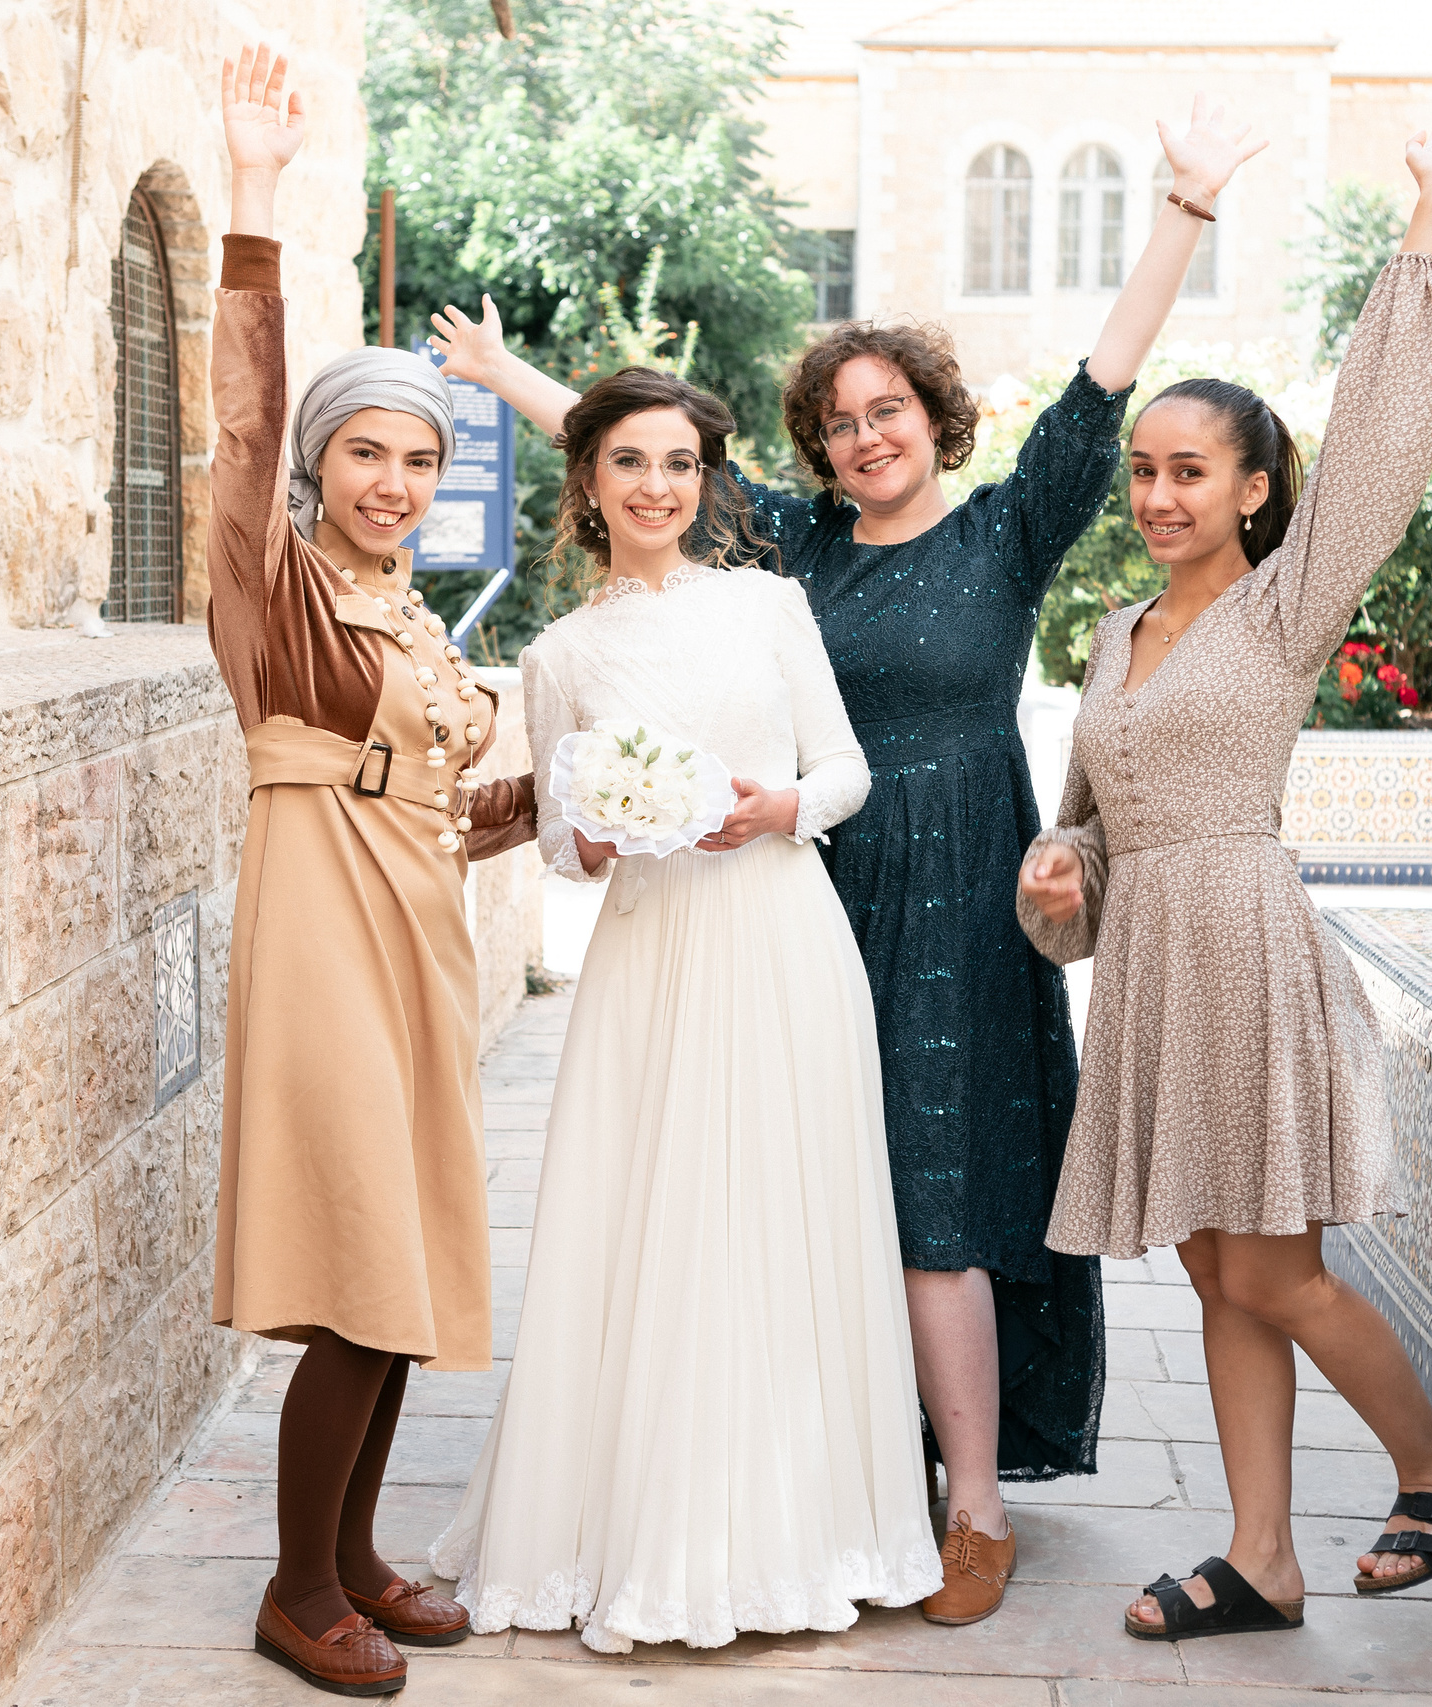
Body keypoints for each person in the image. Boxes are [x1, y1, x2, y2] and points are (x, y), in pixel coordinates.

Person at [426, 96, 1267, 1627]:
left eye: (888, 411)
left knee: (941, 1195)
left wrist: (1185, 215)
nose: (864, 436)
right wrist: (499, 378)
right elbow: (639, 465)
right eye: (838, 420)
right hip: (799, 894)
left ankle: (971, 1500)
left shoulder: (1008, 534)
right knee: (820, 1189)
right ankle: (837, 1471)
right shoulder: (791, 555)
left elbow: (1100, 386)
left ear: (933, 418)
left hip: (960, 897)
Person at [1014, 131, 1432, 1642]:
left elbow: (1380, 448)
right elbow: (1091, 834)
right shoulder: (1109, 631)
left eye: (1188, 470)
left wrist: (1424, 230)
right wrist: (1060, 862)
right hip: (1154, 953)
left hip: (1241, 939)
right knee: (1221, 1261)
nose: (1157, 494)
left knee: (1276, 1268)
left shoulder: (1287, 604)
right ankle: (1262, 1557)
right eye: (1144, 470)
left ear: (1252, 486)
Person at [427, 365, 941, 1652]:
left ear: (704, 480)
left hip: (777, 931)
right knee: (650, 1216)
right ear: (588, 484)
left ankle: (800, 1532)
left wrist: (779, 809)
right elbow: (552, 831)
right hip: (652, 956)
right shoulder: (560, 653)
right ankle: (635, 1533)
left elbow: (846, 768)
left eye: (676, 463)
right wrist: (593, 841)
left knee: (784, 1206)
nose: (655, 487)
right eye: (628, 464)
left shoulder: (769, 607)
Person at [204, 45, 536, 1696]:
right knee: (353, 1265)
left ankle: (352, 1555)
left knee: (400, 1263)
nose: (395, 484)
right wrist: (255, 204)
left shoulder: (407, 612)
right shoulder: (277, 597)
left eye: (420, 460)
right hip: (324, 944)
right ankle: (290, 1586)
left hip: (416, 937)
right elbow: (246, 416)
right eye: (368, 457)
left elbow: (433, 795)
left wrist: (539, 806)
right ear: (322, 469)